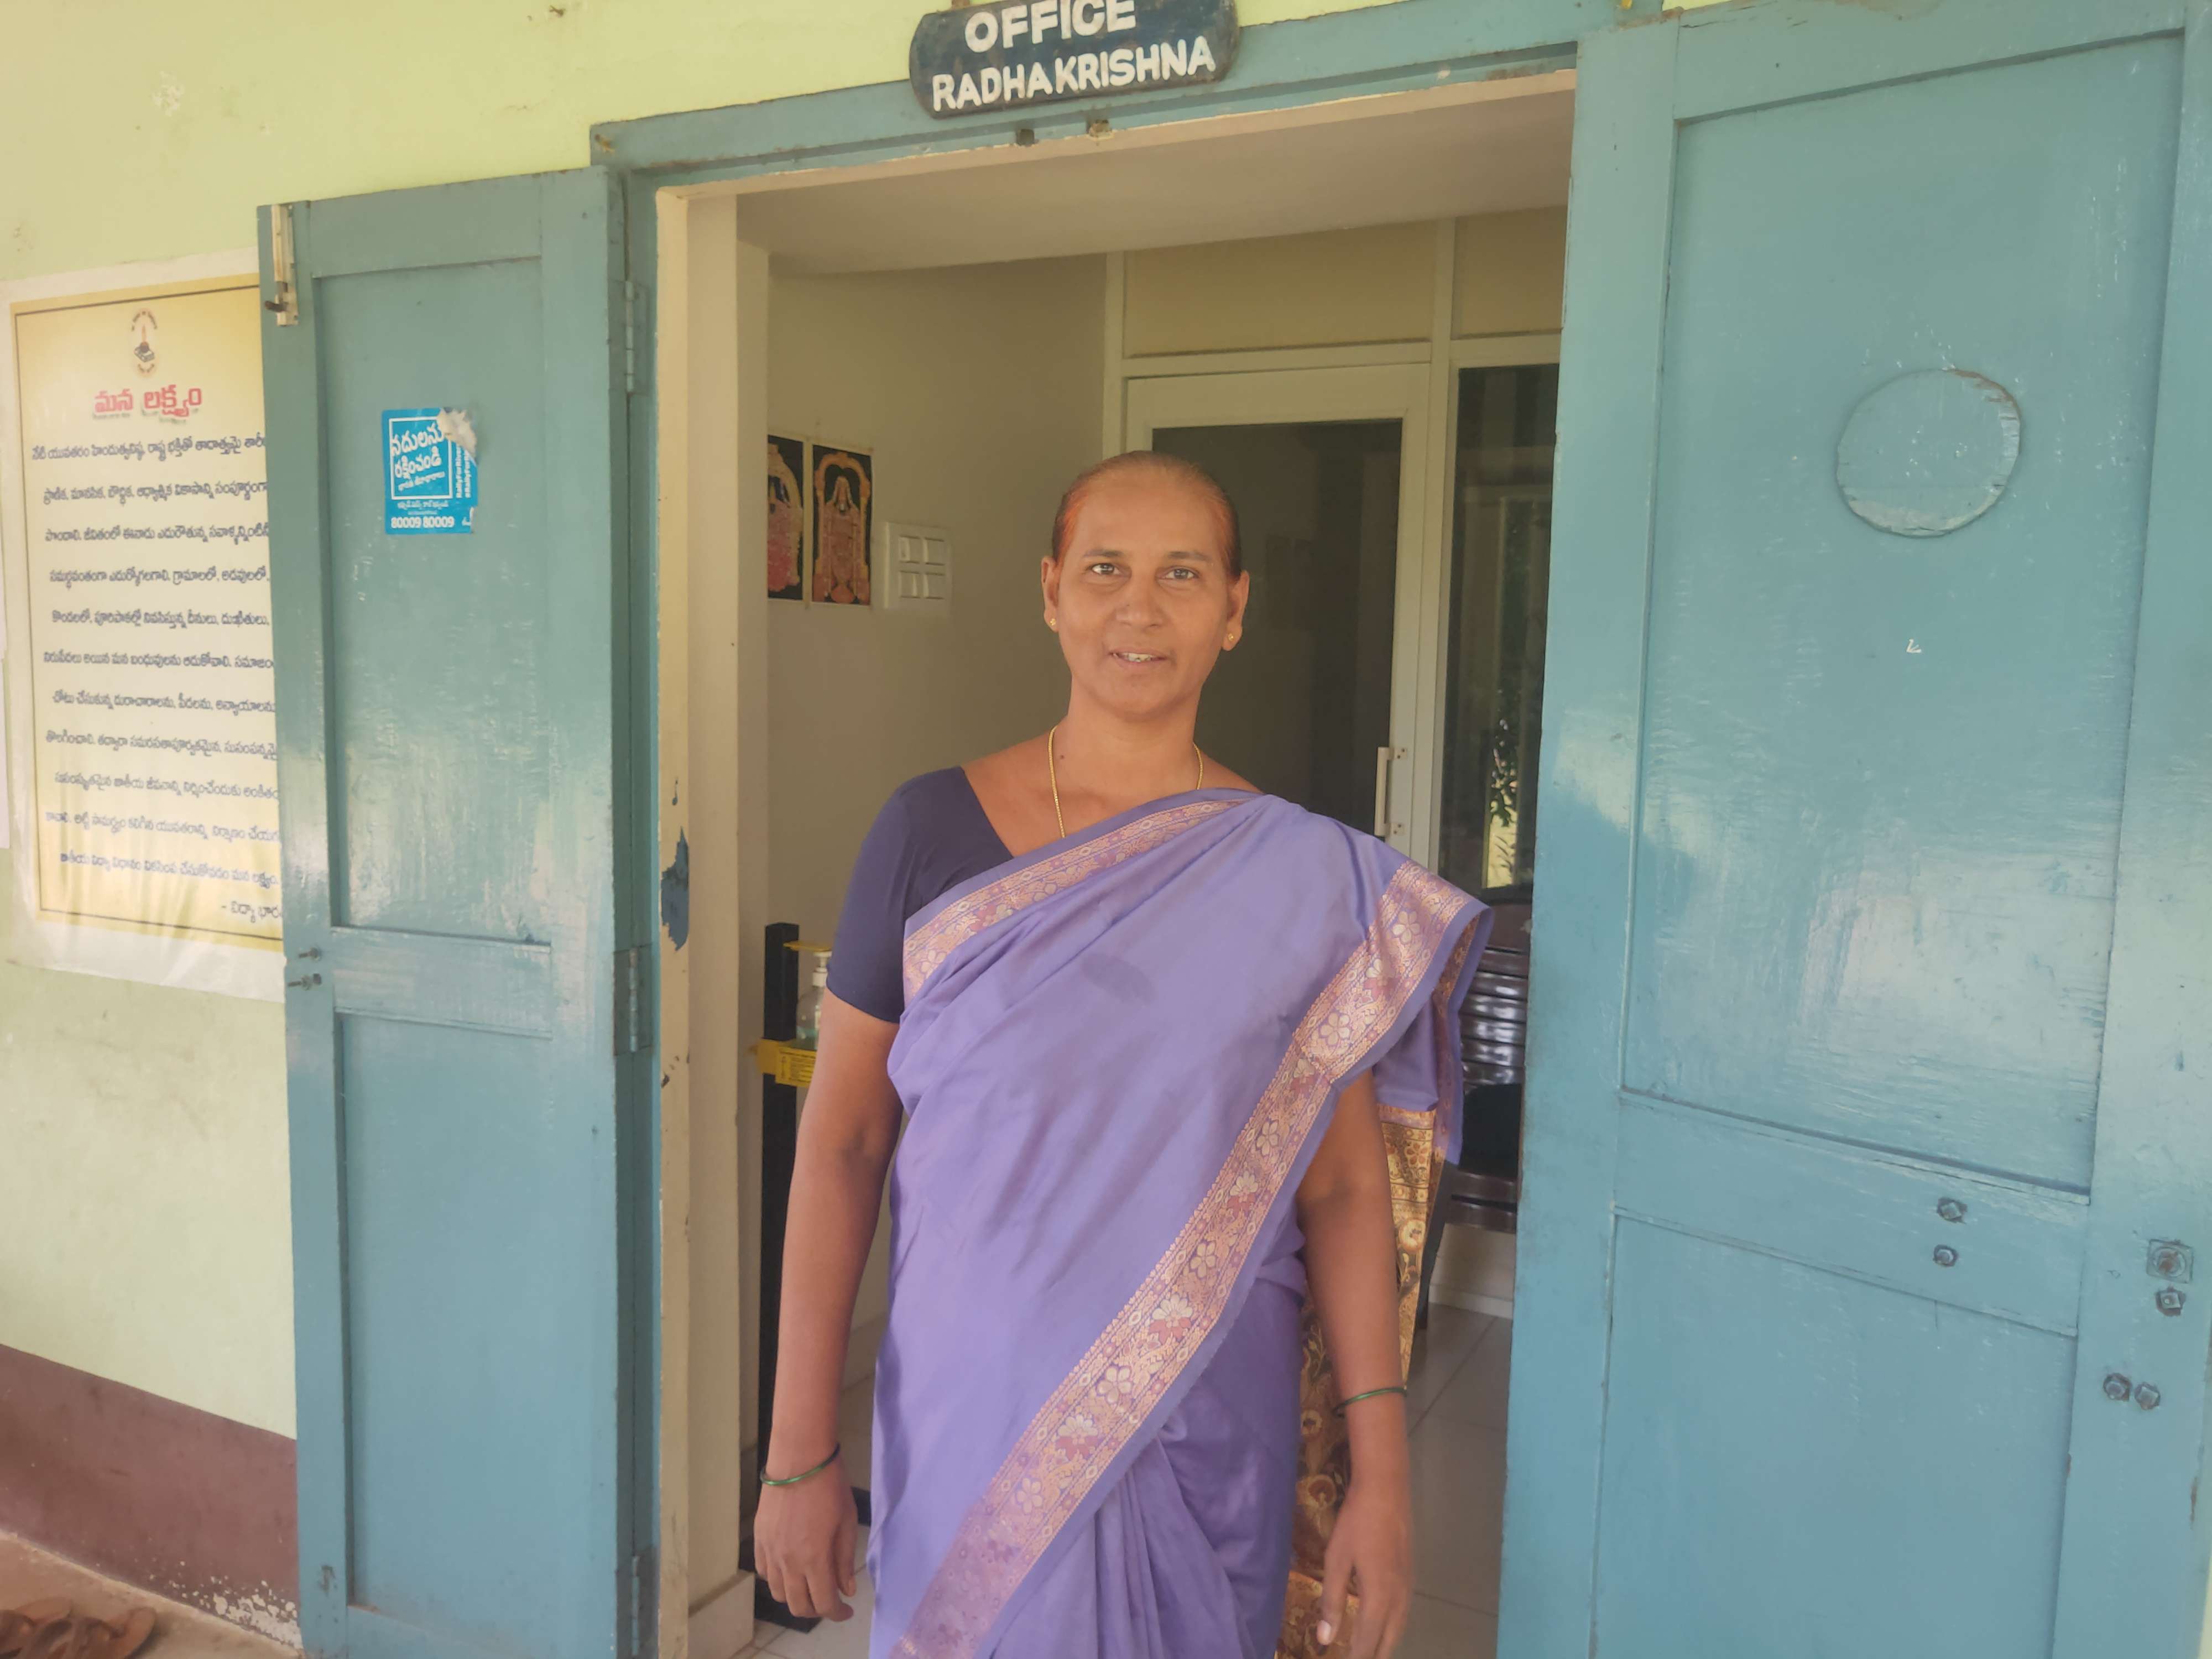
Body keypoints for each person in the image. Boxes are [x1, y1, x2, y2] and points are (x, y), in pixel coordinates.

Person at [754, 451, 1489, 1659]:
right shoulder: (924, 832)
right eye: (1105, 570)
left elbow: (1348, 1190)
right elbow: (840, 1144)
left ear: (1234, 610)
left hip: (1207, 1428)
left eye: (1181, 575)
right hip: (969, 1408)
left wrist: (1382, 1474)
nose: (1138, 609)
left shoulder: (1300, 880)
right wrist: (797, 1451)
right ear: (1051, 592)